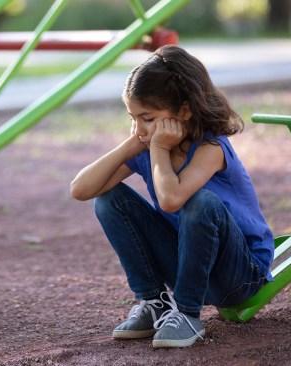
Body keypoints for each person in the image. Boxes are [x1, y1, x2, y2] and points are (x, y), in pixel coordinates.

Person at [69, 45, 274, 348]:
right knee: (109, 199)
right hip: (189, 265)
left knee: (201, 203)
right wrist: (130, 145)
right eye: (133, 118)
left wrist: (159, 149)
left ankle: (189, 315)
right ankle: (155, 303)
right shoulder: (145, 146)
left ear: (184, 112)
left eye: (148, 118)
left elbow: (170, 199)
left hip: (239, 276)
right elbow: (80, 190)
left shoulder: (210, 149)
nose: (140, 129)